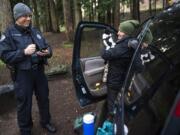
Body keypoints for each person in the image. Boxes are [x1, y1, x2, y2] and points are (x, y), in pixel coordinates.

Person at [0, 3, 56, 135]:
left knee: (44, 98)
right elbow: (4, 55)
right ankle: (25, 130)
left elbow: (48, 46)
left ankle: (46, 121)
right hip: (22, 75)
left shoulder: (35, 31)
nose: (29, 18)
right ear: (17, 17)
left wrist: (47, 52)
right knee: (24, 103)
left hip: (39, 72)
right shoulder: (9, 34)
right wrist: (23, 52)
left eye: (30, 15)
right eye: (25, 16)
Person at [101, 20, 153, 116]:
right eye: (146, 43)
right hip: (121, 80)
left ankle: (112, 115)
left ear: (126, 33)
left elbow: (105, 54)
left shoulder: (127, 46)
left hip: (116, 81)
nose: (118, 33)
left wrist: (104, 41)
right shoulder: (129, 44)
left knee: (112, 101)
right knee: (116, 99)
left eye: (120, 31)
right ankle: (114, 111)